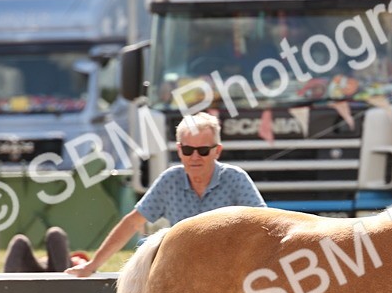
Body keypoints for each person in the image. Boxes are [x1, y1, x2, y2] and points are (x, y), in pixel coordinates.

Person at [66, 113, 266, 277]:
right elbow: (133, 222)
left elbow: (264, 225)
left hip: (229, 272)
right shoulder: (170, 180)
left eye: (203, 150)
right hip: (182, 271)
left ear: (217, 151)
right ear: (179, 151)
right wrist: (93, 265)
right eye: (188, 150)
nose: (195, 157)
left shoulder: (235, 179)